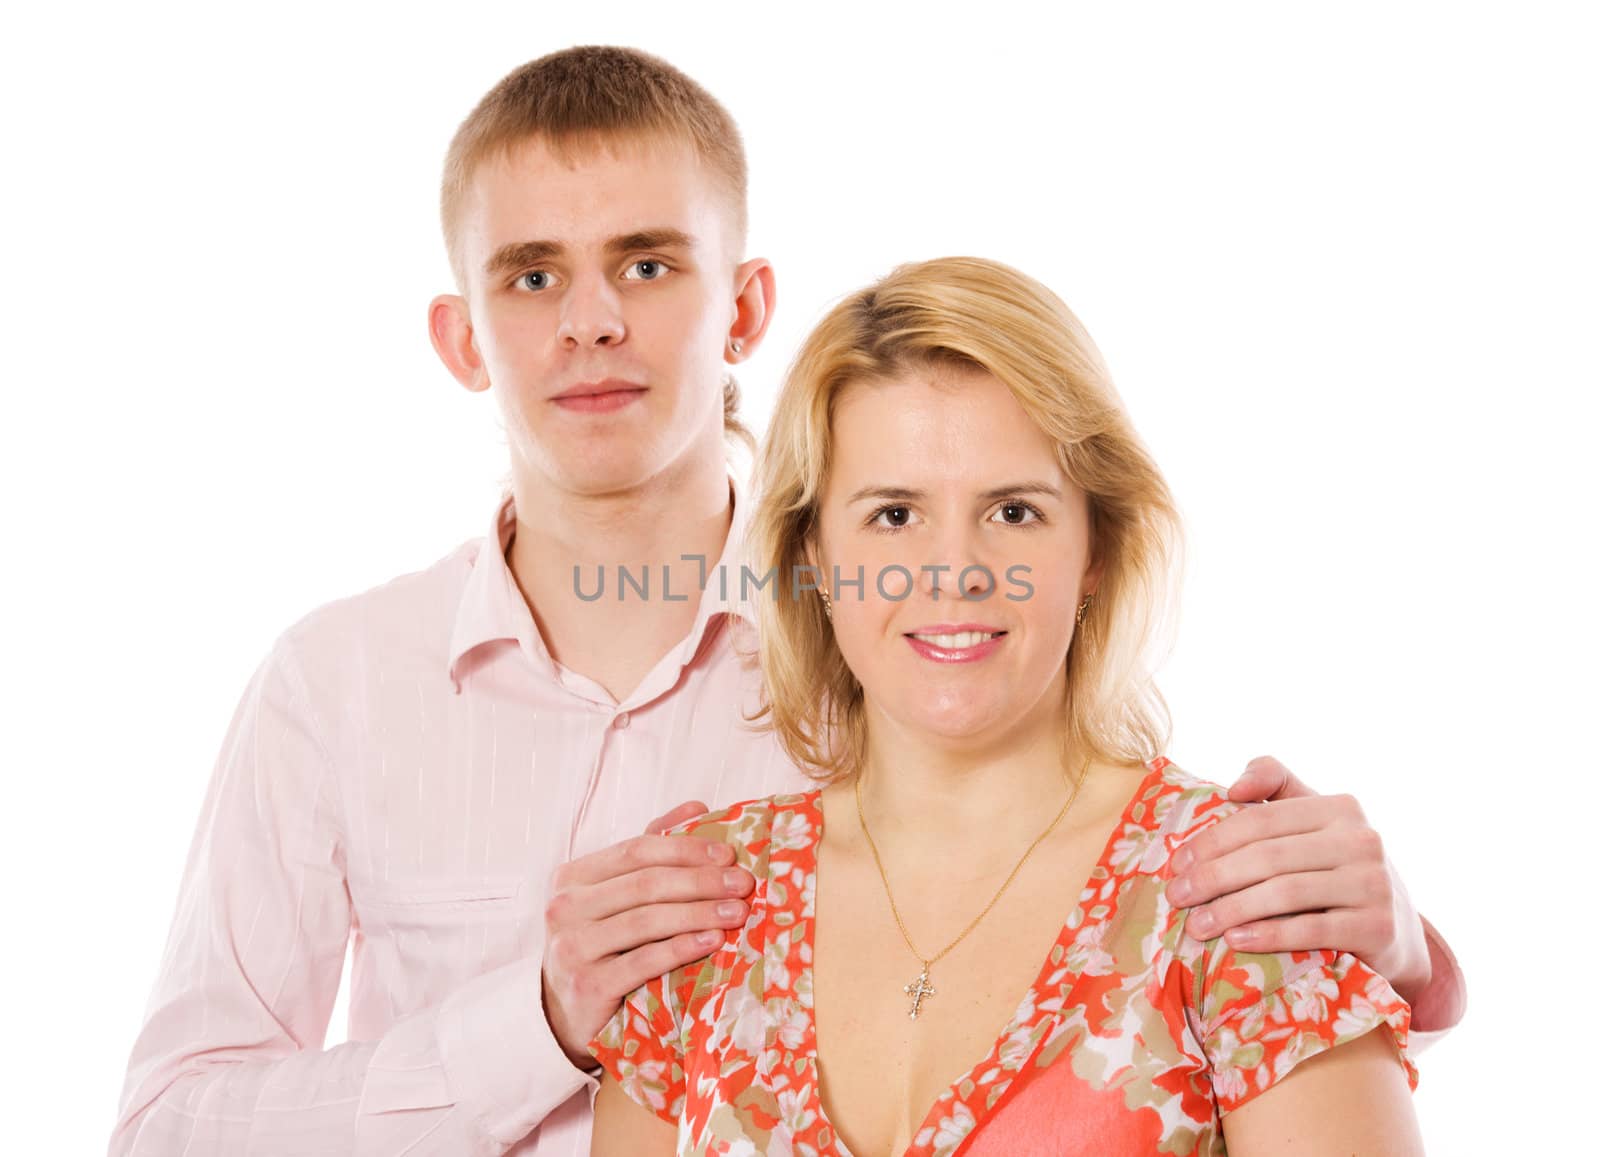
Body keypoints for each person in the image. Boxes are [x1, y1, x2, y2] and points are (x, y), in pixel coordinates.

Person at [110, 47, 1460, 1157]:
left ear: (745, 305)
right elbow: (166, 1128)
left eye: (647, 263)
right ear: (464, 334)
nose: (590, 323)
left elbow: (1123, 899)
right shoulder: (336, 681)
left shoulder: (910, 656)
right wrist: (535, 1022)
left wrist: (1405, 939)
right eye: (533, 275)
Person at [587, 256, 1426, 1155]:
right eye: (894, 515)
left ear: (1095, 549)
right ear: (816, 558)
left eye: (1015, 512)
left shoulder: (1240, 897)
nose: (957, 571)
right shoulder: (704, 910)